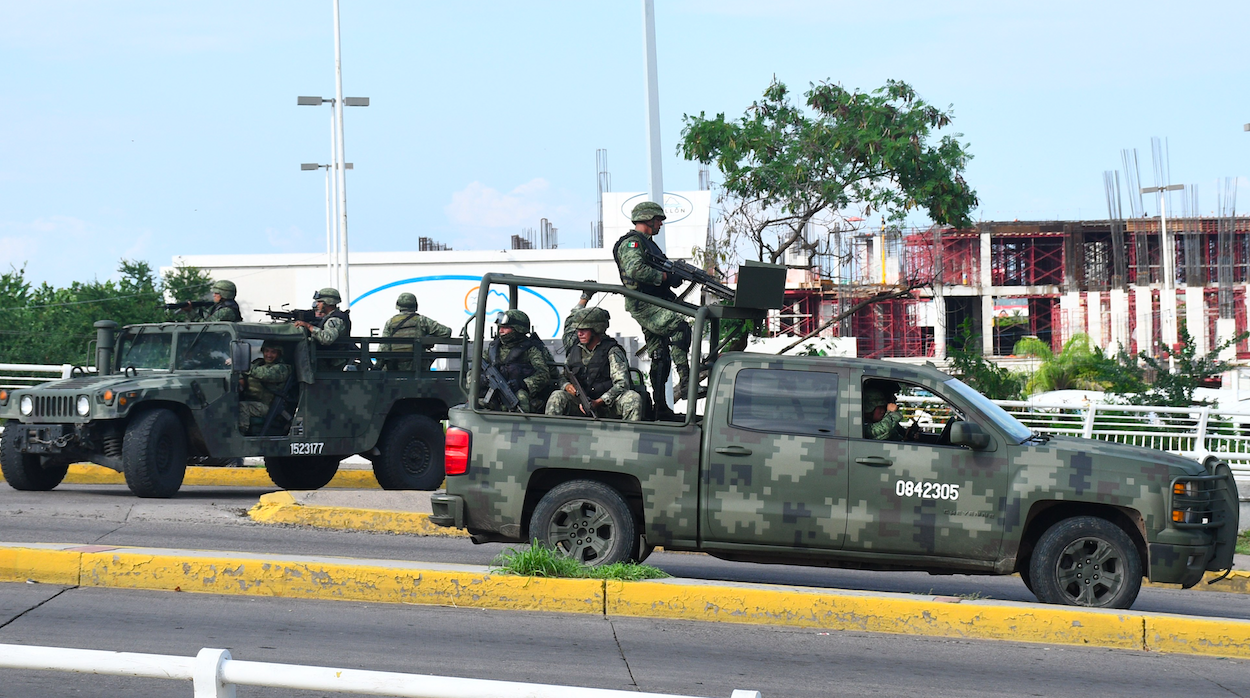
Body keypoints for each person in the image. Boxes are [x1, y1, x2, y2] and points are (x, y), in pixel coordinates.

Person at [613, 201, 693, 420]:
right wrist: (666, 277)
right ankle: (687, 383)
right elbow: (636, 270)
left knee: (660, 356)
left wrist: (673, 278)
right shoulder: (632, 244)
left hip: (655, 301)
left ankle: (661, 409)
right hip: (644, 304)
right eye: (658, 220)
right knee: (679, 327)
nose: (660, 224)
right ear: (648, 219)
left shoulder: (649, 245)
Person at [545, 307, 642, 421]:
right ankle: (551, 437)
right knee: (557, 396)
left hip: (608, 406)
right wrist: (566, 386)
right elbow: (563, 377)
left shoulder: (612, 351)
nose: (579, 333)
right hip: (580, 405)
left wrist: (599, 401)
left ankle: (629, 437)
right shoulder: (575, 350)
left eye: (584, 330)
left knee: (633, 398)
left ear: (596, 329)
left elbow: (622, 384)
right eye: (578, 330)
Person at [482, 309, 553, 413]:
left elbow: (543, 374)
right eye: (500, 327)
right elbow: (473, 371)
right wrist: (482, 379)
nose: (501, 331)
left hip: (519, 395)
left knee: (520, 398)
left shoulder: (531, 349)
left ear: (518, 329)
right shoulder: (493, 348)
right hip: (493, 392)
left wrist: (523, 384)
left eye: (505, 328)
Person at [381, 292, 451, 370]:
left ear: (398, 306)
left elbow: (383, 347)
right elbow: (446, 332)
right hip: (418, 367)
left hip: (395, 368)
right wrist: (429, 338)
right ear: (415, 306)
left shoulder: (390, 323)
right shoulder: (422, 320)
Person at [238, 340, 292, 435]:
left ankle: (241, 435)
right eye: (266, 351)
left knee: (243, 407)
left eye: (273, 352)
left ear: (279, 354)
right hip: (251, 401)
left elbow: (264, 374)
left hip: (266, 407)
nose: (269, 355)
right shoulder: (258, 363)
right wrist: (240, 379)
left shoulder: (282, 368)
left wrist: (241, 365)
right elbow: (242, 374)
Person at [293, 288, 353, 369]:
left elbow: (327, 338)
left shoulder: (335, 319)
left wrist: (308, 326)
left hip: (332, 363)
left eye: (319, 302)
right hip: (327, 360)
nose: (317, 304)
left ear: (328, 302)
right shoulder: (329, 317)